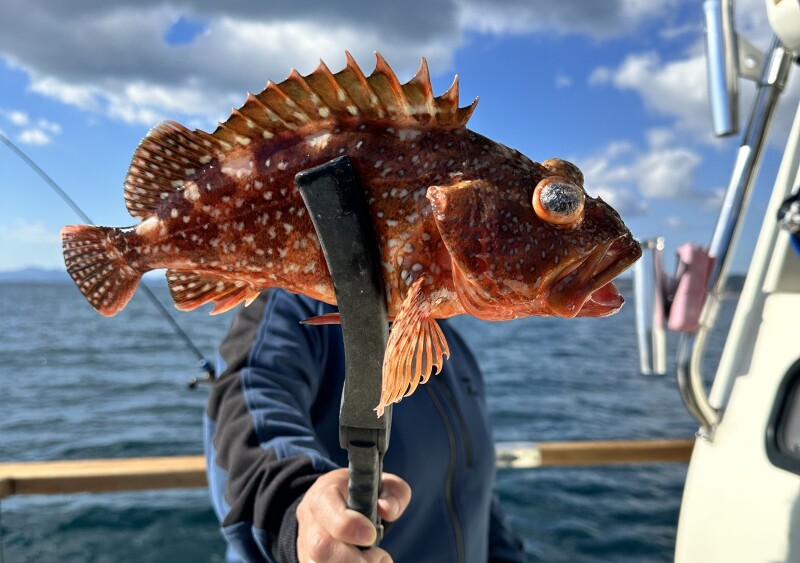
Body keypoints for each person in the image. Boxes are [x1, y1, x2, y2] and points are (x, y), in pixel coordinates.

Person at [205, 289, 526, 562]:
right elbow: (248, 408)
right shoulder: (290, 304)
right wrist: (298, 511)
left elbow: (471, 490)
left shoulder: (451, 343)